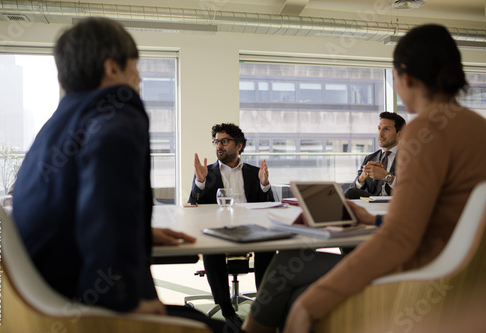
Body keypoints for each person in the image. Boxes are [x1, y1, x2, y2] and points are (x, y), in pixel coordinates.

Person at [242, 24, 486, 333]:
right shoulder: (478, 128)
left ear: (405, 76)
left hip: (420, 278)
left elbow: (400, 240)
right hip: (466, 281)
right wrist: (374, 222)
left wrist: (313, 303)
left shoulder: (424, 132)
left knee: (288, 268)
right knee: (295, 287)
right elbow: (444, 219)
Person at [11, 17, 227, 332]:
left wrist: (140, 231)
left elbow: (74, 205)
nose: (138, 78)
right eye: (134, 67)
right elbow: (105, 198)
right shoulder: (118, 109)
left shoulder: (55, 126)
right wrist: (126, 297)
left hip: (39, 309)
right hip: (88, 311)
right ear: (112, 69)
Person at [189, 123, 275, 327]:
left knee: (268, 245)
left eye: (224, 141)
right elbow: (193, 204)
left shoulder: (255, 173)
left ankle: (263, 307)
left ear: (239, 145)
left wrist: (264, 185)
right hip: (219, 231)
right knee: (212, 249)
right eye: (216, 141)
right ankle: (227, 310)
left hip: (251, 230)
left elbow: (268, 206)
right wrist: (200, 182)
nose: (219, 145)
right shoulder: (206, 173)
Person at [344, 111, 406, 199]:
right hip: (371, 202)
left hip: (396, 202)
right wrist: (362, 177)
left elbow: (412, 189)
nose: (380, 134)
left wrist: (386, 177)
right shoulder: (370, 158)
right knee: (350, 192)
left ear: (399, 134)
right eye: (379, 129)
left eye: (386, 129)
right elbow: (353, 188)